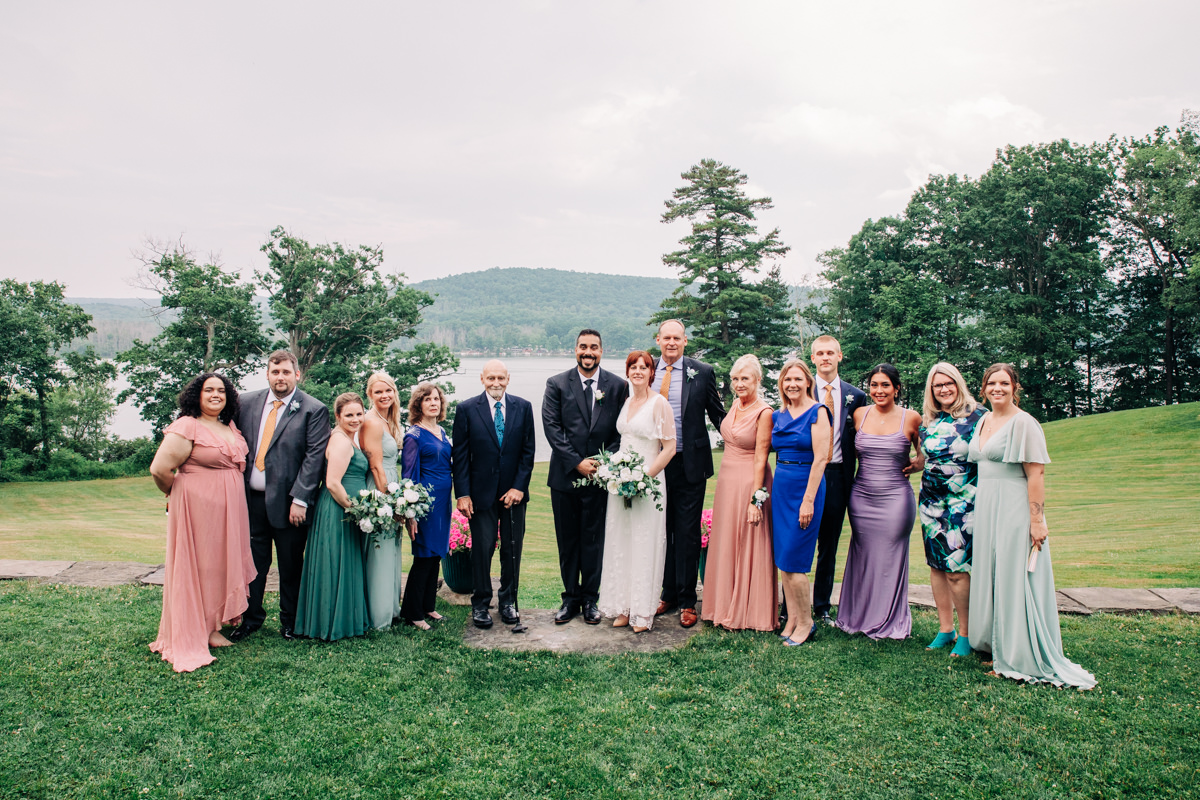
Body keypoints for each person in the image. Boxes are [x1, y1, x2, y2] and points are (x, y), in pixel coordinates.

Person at [968, 364, 1095, 689]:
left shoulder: (1024, 423)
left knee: (1013, 579)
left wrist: (1036, 520)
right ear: (983, 388)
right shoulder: (984, 419)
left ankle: (1017, 655)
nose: (998, 388)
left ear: (1015, 387)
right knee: (992, 575)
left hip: (1014, 509)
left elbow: (1036, 474)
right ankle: (994, 645)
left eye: (1004, 383)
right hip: (987, 508)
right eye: (991, 383)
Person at [148, 373, 257, 672]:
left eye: (221, 391)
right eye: (209, 390)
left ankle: (211, 627)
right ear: (197, 394)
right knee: (197, 566)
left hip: (229, 512)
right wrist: (178, 493)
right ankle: (190, 630)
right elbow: (159, 468)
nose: (215, 395)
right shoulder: (187, 425)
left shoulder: (228, 427)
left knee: (216, 566)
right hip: (197, 510)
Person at [232, 350, 330, 642]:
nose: (281, 377)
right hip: (250, 501)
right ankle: (251, 618)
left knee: (290, 565)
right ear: (267, 374)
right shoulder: (246, 403)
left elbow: (314, 458)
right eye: (275, 372)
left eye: (286, 372)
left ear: (297, 374)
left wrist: (301, 499)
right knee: (253, 565)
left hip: (290, 505)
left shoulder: (313, 409)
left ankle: (290, 621)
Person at [543, 329, 629, 625]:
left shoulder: (618, 386)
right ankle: (570, 598)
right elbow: (552, 428)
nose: (588, 352)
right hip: (565, 478)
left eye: (593, 347)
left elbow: (623, 430)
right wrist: (577, 462)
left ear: (601, 351)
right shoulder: (556, 384)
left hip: (601, 479)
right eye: (583, 347)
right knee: (568, 542)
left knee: (594, 540)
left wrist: (603, 463)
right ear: (575, 349)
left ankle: (591, 598)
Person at [836, 364, 922, 640]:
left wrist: (919, 463)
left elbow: (926, 452)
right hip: (862, 497)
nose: (879, 390)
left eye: (885, 385)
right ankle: (858, 616)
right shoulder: (860, 413)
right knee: (864, 556)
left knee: (890, 557)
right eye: (874, 385)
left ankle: (889, 619)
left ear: (896, 388)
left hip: (896, 498)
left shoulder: (912, 418)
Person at [651, 319, 725, 629]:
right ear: (658, 340)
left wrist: (745, 442)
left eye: (676, 338)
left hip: (690, 463)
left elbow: (718, 415)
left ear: (685, 341)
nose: (671, 342)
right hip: (654, 465)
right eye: (666, 337)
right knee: (660, 531)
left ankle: (686, 600)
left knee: (687, 533)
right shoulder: (646, 369)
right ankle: (665, 593)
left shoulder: (703, 372)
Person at [452, 360, 537, 629]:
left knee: (512, 550)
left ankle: (509, 602)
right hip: (480, 495)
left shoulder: (523, 407)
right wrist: (463, 493)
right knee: (482, 549)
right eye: (491, 378)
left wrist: (519, 487)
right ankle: (480, 604)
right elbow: (461, 456)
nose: (496, 383)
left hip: (514, 494)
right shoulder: (467, 409)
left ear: (508, 379)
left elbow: (528, 452)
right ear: (482, 379)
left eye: (500, 377)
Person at [597, 352, 678, 632]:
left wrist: (644, 478)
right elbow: (624, 441)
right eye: (634, 367)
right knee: (621, 542)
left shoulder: (660, 404)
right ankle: (622, 606)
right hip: (620, 484)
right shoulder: (627, 402)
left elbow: (669, 448)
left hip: (648, 484)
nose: (638, 371)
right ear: (628, 371)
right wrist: (616, 473)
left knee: (644, 543)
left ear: (651, 372)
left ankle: (642, 612)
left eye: (644, 367)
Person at [702, 354, 778, 632]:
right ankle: (721, 606)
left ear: (758, 380)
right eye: (735, 379)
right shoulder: (735, 405)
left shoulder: (765, 412)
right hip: (727, 481)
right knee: (727, 541)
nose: (739, 384)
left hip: (750, 481)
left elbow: (761, 457)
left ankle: (749, 611)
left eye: (745, 378)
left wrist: (756, 500)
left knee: (749, 541)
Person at [918, 362, 986, 657]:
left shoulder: (979, 416)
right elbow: (924, 458)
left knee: (958, 570)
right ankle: (945, 628)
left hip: (964, 503)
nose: (944, 389)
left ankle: (966, 632)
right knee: (936, 566)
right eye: (937, 386)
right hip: (931, 501)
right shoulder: (928, 421)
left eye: (949, 383)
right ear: (931, 391)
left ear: (958, 384)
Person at [293, 393, 371, 641]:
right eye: (349, 415)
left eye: (359, 414)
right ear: (337, 416)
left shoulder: (348, 438)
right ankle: (330, 623)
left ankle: (341, 617)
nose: (355, 419)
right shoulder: (340, 441)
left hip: (343, 508)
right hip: (338, 509)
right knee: (335, 563)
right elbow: (333, 483)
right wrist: (354, 510)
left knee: (342, 562)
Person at [770, 360, 833, 645]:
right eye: (786, 380)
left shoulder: (819, 412)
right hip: (782, 487)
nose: (791, 384)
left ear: (808, 381)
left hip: (806, 487)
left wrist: (808, 501)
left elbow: (822, 458)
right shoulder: (779, 414)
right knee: (783, 560)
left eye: (797, 379)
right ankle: (792, 617)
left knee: (795, 561)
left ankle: (807, 622)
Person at [809, 335, 868, 625]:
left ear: (840, 356)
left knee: (828, 545)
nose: (825, 357)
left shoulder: (855, 396)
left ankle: (821, 606)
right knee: (799, 540)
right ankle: (788, 605)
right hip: (806, 474)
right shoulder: (801, 389)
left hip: (837, 475)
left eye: (830, 352)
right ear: (813, 359)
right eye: (819, 353)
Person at [399, 382, 454, 630]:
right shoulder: (414, 435)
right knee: (423, 555)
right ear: (418, 404)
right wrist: (411, 514)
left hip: (443, 502)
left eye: (437, 399)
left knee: (436, 555)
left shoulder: (442, 432)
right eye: (428, 399)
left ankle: (428, 606)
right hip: (425, 503)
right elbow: (409, 475)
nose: (434, 403)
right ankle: (412, 612)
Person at [361, 371, 404, 630]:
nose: (384, 395)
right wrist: (388, 503)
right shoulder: (372, 422)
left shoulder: (391, 420)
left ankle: (390, 608)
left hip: (392, 484)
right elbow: (376, 467)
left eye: (388, 390)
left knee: (391, 550)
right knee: (379, 551)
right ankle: (378, 617)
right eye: (378, 392)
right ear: (370, 395)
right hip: (379, 490)